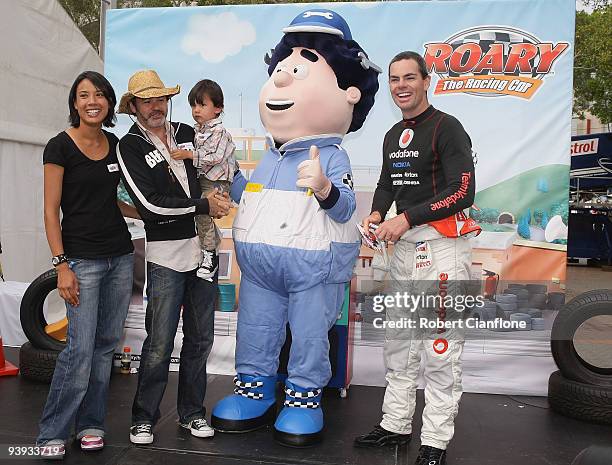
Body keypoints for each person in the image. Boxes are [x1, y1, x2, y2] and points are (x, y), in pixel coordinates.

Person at [211, 9, 380, 447]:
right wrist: (229, 181)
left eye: (300, 71)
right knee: (256, 327)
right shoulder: (270, 157)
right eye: (282, 69)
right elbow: (249, 194)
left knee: (308, 334)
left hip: (315, 269)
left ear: (349, 94)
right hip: (261, 271)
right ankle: (255, 389)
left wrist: (324, 187)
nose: (282, 80)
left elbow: (344, 211)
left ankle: (304, 397)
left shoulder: (333, 156)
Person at [354, 51, 480, 465]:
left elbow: (463, 193)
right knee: (399, 342)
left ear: (427, 81)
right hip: (404, 249)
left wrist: (405, 219)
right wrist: (377, 214)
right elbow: (389, 182)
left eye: (410, 77)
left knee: (440, 348)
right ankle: (395, 425)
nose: (401, 85)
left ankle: (436, 441)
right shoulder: (393, 134)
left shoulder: (448, 127)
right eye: (394, 79)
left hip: (443, 249)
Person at [115, 70, 231, 445]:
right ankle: (143, 418)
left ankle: (192, 413)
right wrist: (203, 203)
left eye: (160, 99)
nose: (155, 107)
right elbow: (149, 205)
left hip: (205, 252)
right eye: (146, 101)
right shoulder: (129, 145)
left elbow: (217, 166)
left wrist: (227, 196)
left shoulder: (187, 130)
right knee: (160, 342)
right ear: (133, 106)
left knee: (200, 340)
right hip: (165, 256)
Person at [37, 71, 140, 459]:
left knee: (104, 347)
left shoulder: (114, 144)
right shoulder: (58, 147)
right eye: (83, 95)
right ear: (75, 104)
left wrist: (152, 216)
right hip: (81, 260)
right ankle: (52, 432)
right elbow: (50, 211)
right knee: (78, 350)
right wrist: (62, 265)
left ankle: (91, 424)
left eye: (99, 94)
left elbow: (116, 201)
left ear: (110, 103)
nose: (92, 101)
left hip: (120, 255)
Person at [170, 79, 237, 281]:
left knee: (202, 214)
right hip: (206, 179)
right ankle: (211, 248)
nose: (196, 110)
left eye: (202, 105)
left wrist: (189, 155)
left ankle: (210, 255)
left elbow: (215, 157)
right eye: (193, 105)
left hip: (216, 181)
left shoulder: (219, 132)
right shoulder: (198, 130)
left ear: (218, 108)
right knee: (200, 215)